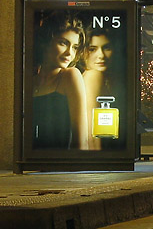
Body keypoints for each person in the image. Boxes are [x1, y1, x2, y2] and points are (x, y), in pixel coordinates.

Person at [32, 12, 89, 150]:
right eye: (63, 43)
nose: (70, 53)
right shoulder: (30, 78)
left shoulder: (70, 76)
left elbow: (81, 141)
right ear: (46, 42)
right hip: (33, 167)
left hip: (63, 167)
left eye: (75, 47)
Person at [82, 26, 118, 150]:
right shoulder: (94, 75)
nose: (101, 55)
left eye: (106, 48)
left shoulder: (89, 75)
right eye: (92, 49)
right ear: (83, 52)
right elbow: (91, 128)